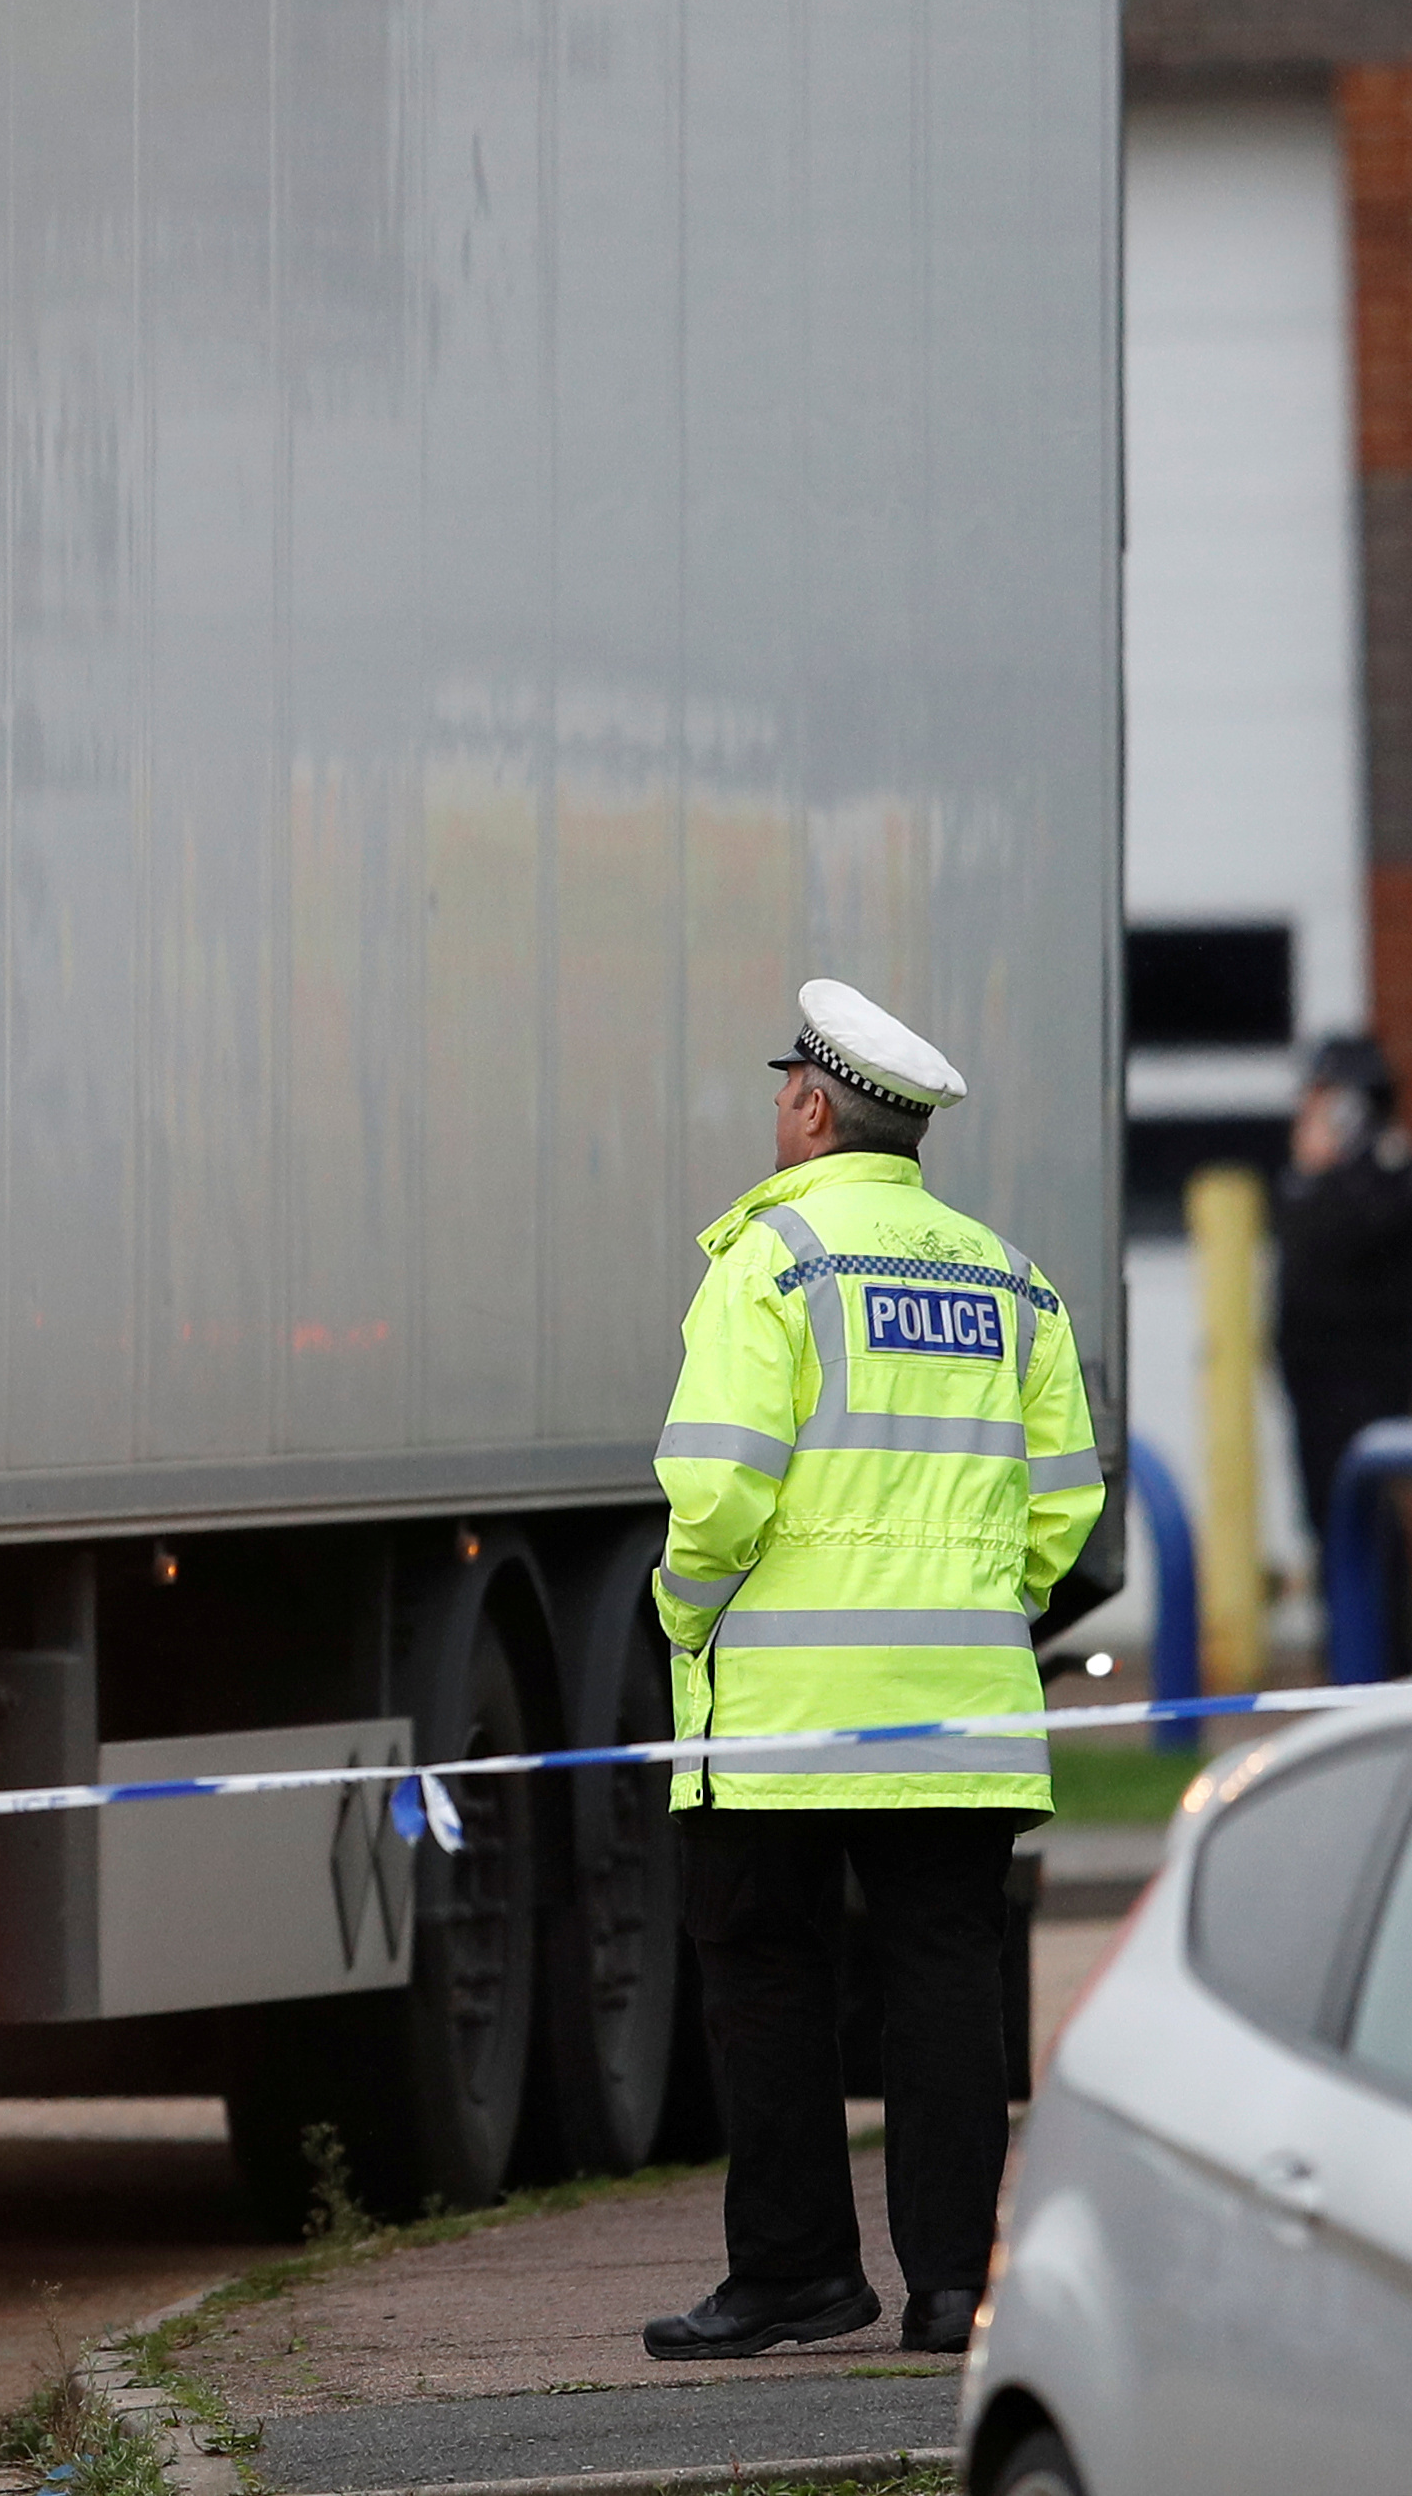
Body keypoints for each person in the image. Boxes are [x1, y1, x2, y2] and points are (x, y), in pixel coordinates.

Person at [641, 979, 1103, 2364]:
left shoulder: (770, 1265)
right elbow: (1063, 1506)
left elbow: (717, 1488)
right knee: (946, 1982)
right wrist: (973, 1609)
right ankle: (955, 2288)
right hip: (957, 1713)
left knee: (768, 1974)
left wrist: (684, 1612)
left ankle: (792, 2275)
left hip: (780, 1717)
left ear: (807, 1106)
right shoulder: (1010, 1279)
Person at [1274, 1032, 1412, 1548]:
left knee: (1371, 1541)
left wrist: (1321, 1171)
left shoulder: (1384, 1186)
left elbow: (1334, 1243)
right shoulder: (1316, 1186)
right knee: (1330, 1531)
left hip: (1366, 1400)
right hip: (1317, 1397)